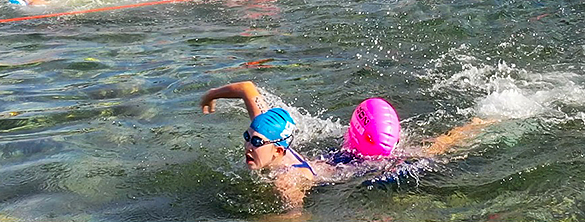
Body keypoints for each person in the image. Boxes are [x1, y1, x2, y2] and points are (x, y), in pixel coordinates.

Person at [199, 80, 493, 210]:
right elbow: (248, 89)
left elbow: (294, 214)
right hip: (334, 156)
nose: (249, 144)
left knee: (429, 153)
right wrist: (211, 95)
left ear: (278, 149)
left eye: (256, 142)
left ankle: (477, 126)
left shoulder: (286, 181)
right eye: (247, 137)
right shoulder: (268, 131)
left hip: (354, 168)